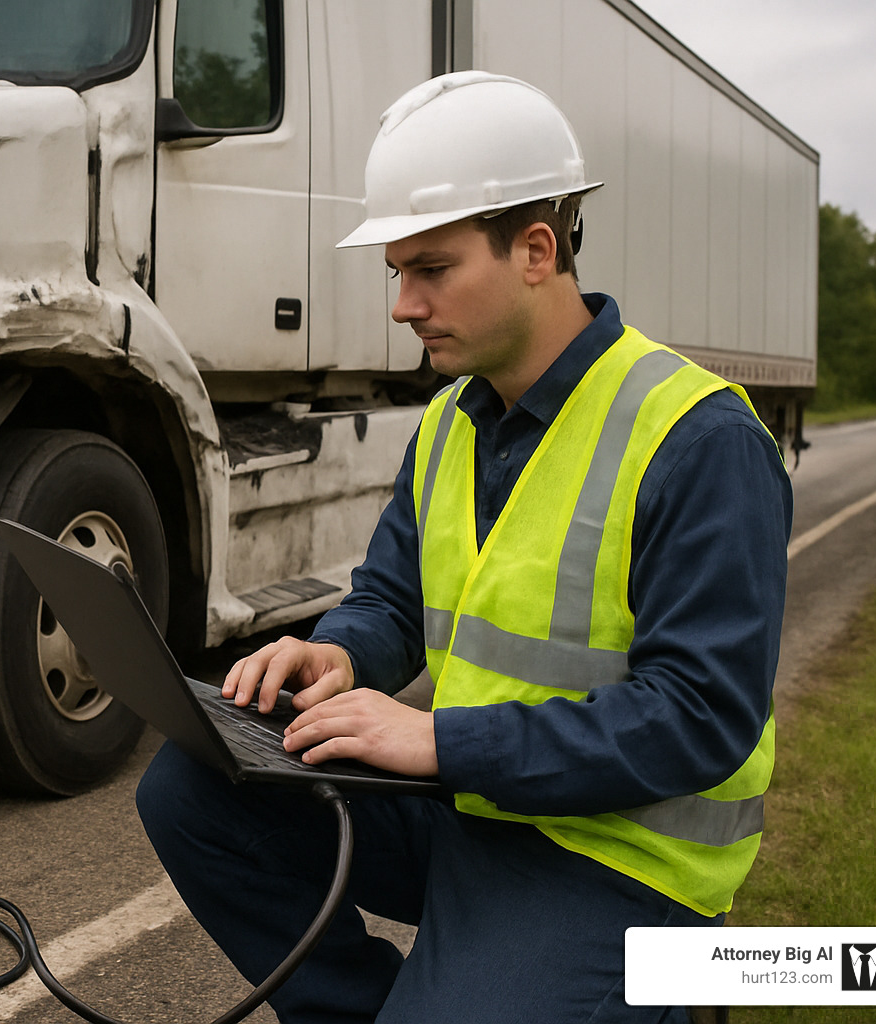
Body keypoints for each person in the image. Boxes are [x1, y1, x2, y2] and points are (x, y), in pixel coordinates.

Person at [136, 71, 792, 1023]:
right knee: (192, 787)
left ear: (536, 251)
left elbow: (699, 716)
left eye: (431, 270)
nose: (403, 305)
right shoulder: (450, 422)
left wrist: (438, 741)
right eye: (396, 272)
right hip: (477, 805)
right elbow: (392, 599)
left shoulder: (699, 440)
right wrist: (339, 653)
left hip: (621, 863)